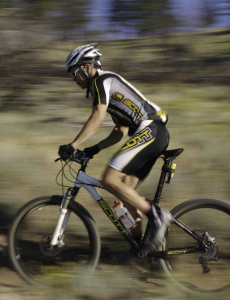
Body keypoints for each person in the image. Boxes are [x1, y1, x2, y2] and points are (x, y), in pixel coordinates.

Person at [58, 43, 173, 251]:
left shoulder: (102, 81)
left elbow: (97, 117)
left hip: (151, 130)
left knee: (110, 180)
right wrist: (94, 149)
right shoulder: (102, 88)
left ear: (86, 67)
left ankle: (157, 215)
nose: (73, 79)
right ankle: (140, 245)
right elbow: (120, 130)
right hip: (153, 133)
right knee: (125, 192)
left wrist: (73, 144)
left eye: (74, 72)